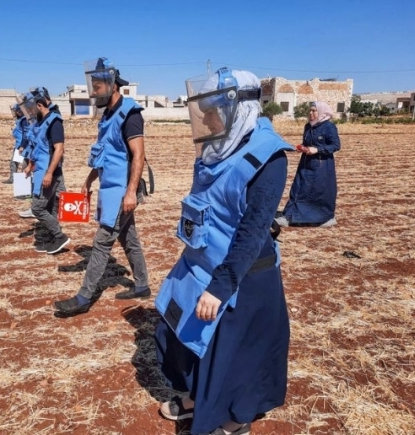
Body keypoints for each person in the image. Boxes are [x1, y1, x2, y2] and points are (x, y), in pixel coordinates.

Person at [154, 68, 291, 435]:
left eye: (215, 112)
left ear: (237, 109)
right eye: (206, 112)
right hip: (201, 263)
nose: (209, 121)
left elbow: (252, 232)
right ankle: (198, 399)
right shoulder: (218, 147)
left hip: (242, 277)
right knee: (180, 334)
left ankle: (236, 420)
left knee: (234, 356)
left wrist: (220, 287)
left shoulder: (269, 158)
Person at [54, 57, 150, 316]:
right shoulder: (107, 116)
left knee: (101, 242)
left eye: (97, 87)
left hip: (123, 192)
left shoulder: (130, 114)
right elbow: (106, 156)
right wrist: (89, 180)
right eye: (92, 87)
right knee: (129, 238)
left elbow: (138, 155)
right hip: (111, 190)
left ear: (112, 85)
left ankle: (84, 297)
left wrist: (131, 193)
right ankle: (142, 285)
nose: (93, 92)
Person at [20, 89, 70, 254]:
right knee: (49, 208)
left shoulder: (54, 122)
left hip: (49, 173)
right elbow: (38, 148)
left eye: (31, 109)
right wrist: (30, 165)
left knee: (37, 208)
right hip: (41, 171)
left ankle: (59, 236)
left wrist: (49, 173)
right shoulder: (40, 124)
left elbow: (59, 149)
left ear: (40, 106)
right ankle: (54, 239)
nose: (30, 113)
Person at [276, 101, 341, 227]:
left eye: (314, 111)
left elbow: (336, 145)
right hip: (306, 163)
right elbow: (306, 143)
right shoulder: (308, 126)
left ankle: (323, 218)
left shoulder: (329, 127)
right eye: (310, 110)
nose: (311, 113)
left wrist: (318, 149)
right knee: (298, 188)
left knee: (317, 191)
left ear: (321, 112)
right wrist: (302, 147)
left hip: (321, 166)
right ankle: (290, 215)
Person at [18, 87, 66, 219]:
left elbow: (57, 146)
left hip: (51, 159)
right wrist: (31, 164)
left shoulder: (53, 116)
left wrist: (50, 170)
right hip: (43, 160)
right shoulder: (41, 117)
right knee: (55, 190)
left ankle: (62, 213)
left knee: (57, 188)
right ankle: (52, 214)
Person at [2, 103, 27, 184]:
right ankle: (13, 178)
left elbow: (25, 134)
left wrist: (22, 145)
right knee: (14, 162)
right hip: (19, 144)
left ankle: (22, 181)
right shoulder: (20, 120)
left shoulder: (24, 120)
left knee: (22, 164)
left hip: (21, 145)